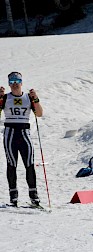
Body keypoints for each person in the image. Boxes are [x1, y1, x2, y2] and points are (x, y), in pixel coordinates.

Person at [0, 72, 43, 207]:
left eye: (17, 80)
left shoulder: (27, 97)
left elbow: (40, 114)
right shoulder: (5, 97)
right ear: (8, 83)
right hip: (10, 133)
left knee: (29, 163)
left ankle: (34, 196)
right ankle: (13, 197)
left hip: (24, 133)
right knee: (11, 164)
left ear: (21, 82)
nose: (15, 83)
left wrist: (35, 99)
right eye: (12, 80)